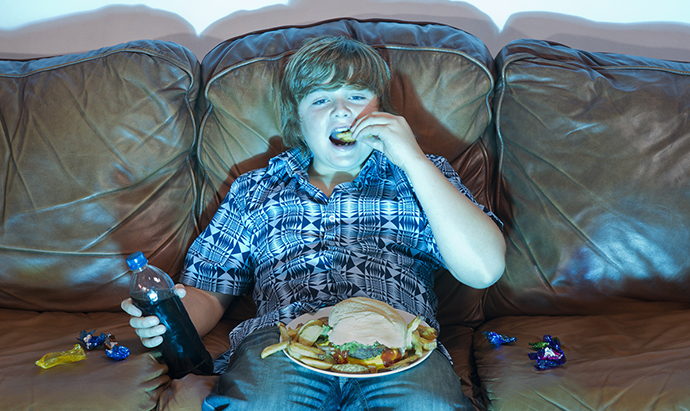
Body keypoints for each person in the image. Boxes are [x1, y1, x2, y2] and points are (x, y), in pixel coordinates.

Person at [122, 35, 506, 410]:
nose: (341, 111)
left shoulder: (422, 175)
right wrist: (169, 321)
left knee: (425, 404)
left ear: (382, 111)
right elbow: (207, 291)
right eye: (321, 99)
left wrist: (413, 160)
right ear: (299, 120)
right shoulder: (255, 189)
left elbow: (484, 269)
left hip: (396, 338)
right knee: (263, 403)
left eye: (356, 96)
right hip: (284, 339)